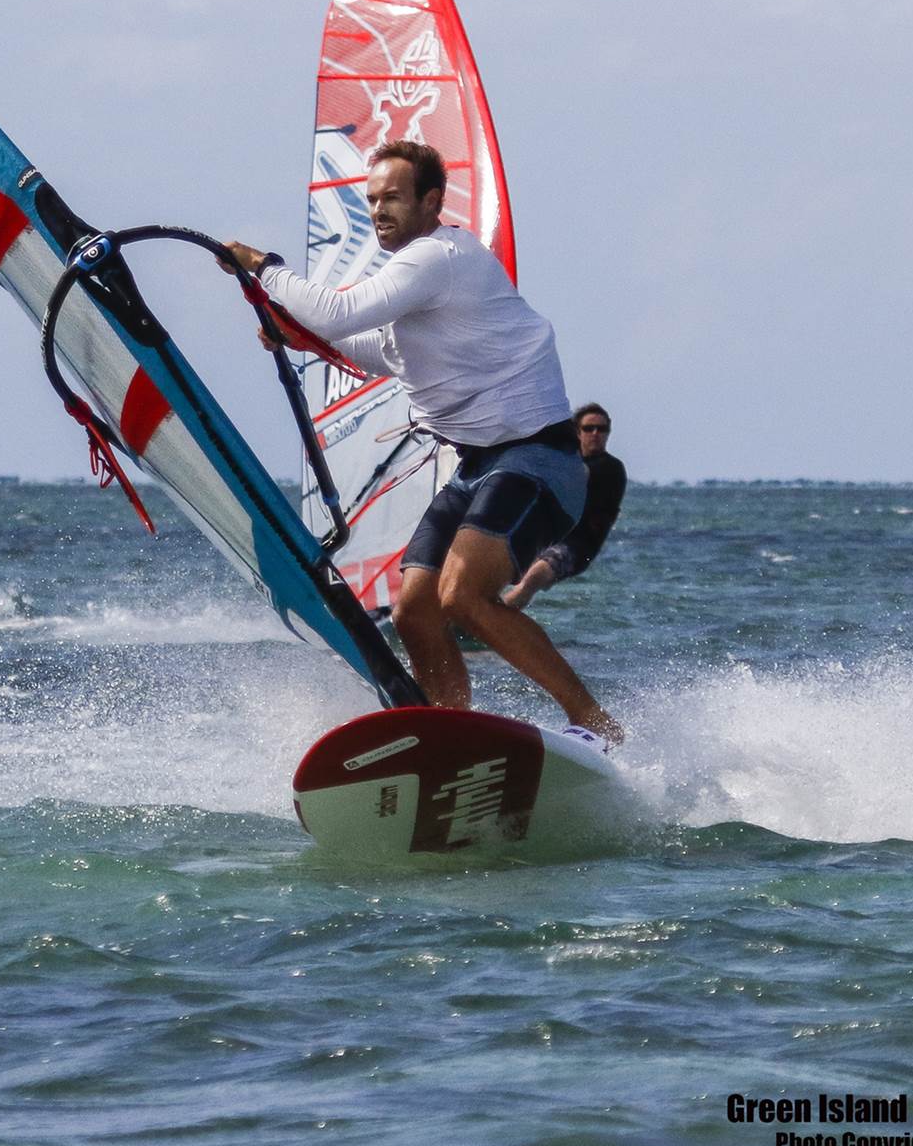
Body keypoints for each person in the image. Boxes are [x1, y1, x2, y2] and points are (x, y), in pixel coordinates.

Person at [223, 142, 626, 746]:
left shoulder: (440, 256)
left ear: (431, 201)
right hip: (477, 468)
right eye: (371, 201)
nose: (378, 211)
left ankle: (596, 724)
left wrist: (264, 266)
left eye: (392, 198)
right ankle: (451, 736)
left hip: (538, 459)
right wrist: (304, 340)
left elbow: (338, 312)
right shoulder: (419, 285)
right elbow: (380, 349)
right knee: (414, 610)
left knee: (463, 595)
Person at [502, 404, 627, 610]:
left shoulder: (610, 467)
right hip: (543, 537)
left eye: (601, 429)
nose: (595, 434)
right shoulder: (564, 462)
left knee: (532, 578)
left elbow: (578, 476)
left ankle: (493, 622)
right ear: (578, 432)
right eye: (589, 428)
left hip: (577, 546)